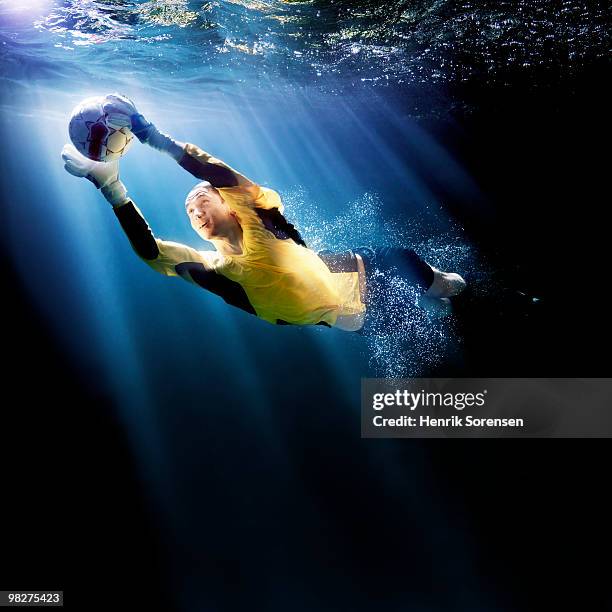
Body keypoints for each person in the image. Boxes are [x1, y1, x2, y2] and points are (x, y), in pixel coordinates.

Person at [61, 94, 466, 333]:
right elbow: (152, 253)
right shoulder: (212, 265)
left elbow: (218, 175)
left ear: (225, 203)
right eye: (188, 209)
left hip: (334, 274)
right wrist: (113, 190)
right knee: (386, 317)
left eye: (202, 201)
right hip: (329, 309)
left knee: (408, 265)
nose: (194, 210)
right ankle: (436, 303)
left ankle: (445, 285)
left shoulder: (257, 214)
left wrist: (158, 139)